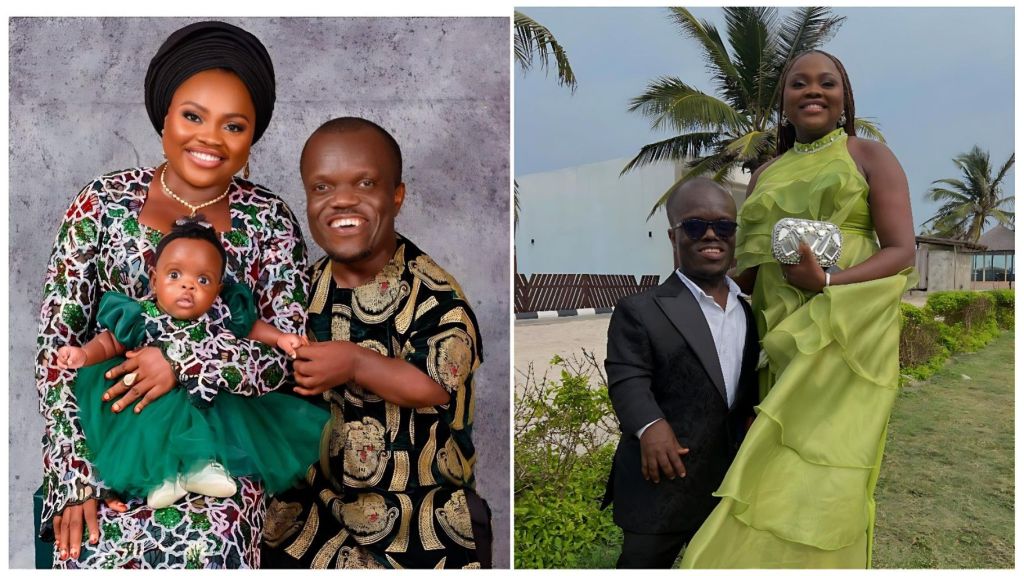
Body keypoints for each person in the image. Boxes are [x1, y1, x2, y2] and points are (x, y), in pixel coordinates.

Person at [35, 21, 310, 568]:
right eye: (192, 116)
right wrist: (72, 478)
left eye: (234, 125)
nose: (210, 138)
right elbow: (56, 348)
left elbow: (285, 360)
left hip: (218, 453)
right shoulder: (101, 203)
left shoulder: (269, 221)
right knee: (92, 549)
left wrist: (180, 360)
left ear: (253, 135)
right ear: (164, 117)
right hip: (105, 442)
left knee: (209, 547)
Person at [680, 50, 916, 568]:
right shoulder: (766, 173)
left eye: (826, 83)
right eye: (799, 83)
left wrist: (827, 280)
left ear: (844, 98)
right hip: (777, 332)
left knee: (830, 457)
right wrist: (697, 255)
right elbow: (749, 268)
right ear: (784, 101)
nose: (813, 90)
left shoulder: (868, 156)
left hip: (845, 331)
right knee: (775, 451)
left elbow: (901, 251)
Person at [261, 117, 492, 569]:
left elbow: (433, 387)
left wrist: (355, 363)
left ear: (397, 196)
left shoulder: (435, 296)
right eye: (322, 188)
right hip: (312, 518)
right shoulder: (300, 288)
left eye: (365, 183)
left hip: (416, 516)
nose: (342, 200)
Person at [55, 217, 327, 509]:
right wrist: (84, 354)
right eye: (174, 275)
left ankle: (203, 466)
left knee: (208, 416)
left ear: (218, 289)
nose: (188, 286)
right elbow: (111, 342)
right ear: (154, 278)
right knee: (151, 425)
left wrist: (281, 338)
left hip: (204, 395)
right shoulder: (142, 314)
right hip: (154, 399)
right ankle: (164, 479)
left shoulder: (219, 312)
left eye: (203, 280)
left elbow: (251, 329)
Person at [602, 177, 760, 569]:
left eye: (724, 226)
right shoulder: (641, 309)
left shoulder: (749, 311)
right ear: (673, 236)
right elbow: (627, 377)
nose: (712, 235)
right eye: (695, 226)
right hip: (661, 482)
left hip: (726, 481)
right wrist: (650, 425)